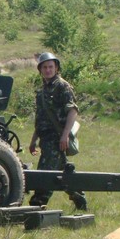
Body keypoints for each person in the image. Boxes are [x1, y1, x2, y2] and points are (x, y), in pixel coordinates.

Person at [28, 52, 87, 210]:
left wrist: (65, 135)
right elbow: (40, 118)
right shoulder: (41, 91)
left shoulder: (62, 86)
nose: (48, 70)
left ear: (56, 68)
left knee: (46, 174)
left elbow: (73, 111)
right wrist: (34, 140)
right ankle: (79, 198)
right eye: (45, 67)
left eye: (51, 67)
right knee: (63, 174)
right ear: (40, 70)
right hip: (45, 139)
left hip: (57, 138)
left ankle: (36, 205)